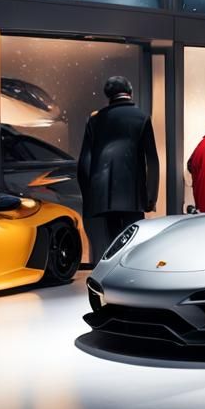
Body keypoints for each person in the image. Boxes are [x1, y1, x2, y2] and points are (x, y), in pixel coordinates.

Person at [77, 76, 160, 266]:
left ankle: (114, 275)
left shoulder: (95, 120)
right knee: (134, 239)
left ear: (108, 95)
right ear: (129, 92)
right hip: (133, 194)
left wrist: (89, 196)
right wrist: (150, 197)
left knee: (112, 242)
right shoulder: (142, 118)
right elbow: (152, 160)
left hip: (102, 194)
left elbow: (84, 162)